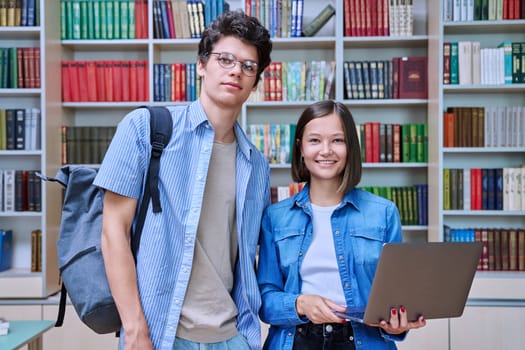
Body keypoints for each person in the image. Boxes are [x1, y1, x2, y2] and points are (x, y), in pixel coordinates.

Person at [93, 10, 272, 350]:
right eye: (225, 59)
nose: (236, 70)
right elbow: (112, 230)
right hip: (160, 334)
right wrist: (134, 330)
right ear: (202, 65)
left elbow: (247, 255)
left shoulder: (256, 165)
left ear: (255, 81)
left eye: (248, 66)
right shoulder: (144, 129)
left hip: (233, 337)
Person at [257, 100, 426, 350]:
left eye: (337, 140)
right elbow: (265, 300)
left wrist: (396, 324)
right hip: (295, 341)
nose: (326, 150)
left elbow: (395, 296)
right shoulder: (275, 217)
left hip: (363, 341)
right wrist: (301, 304)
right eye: (314, 140)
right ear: (300, 148)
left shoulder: (384, 213)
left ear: (351, 148)